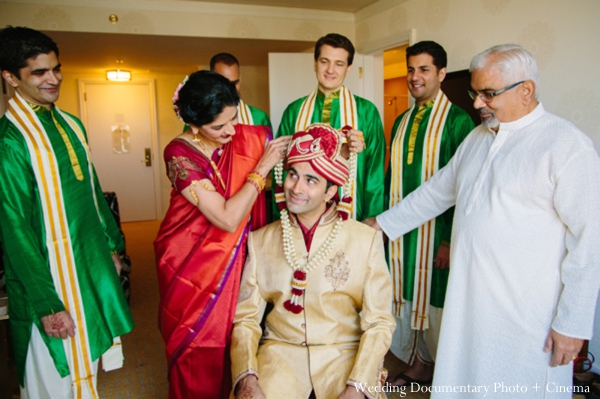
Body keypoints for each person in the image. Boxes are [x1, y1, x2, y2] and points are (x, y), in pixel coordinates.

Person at [365, 44, 600, 398]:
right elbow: (436, 193)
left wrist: (572, 324)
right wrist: (380, 224)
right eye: (476, 93)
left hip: (525, 317)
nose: (476, 104)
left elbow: (590, 241)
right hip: (469, 303)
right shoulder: (477, 139)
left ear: (526, 90)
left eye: (488, 94)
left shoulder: (566, 146)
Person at [0, 26, 134, 398]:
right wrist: (47, 304)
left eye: (56, 68)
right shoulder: (10, 143)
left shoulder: (70, 124)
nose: (54, 79)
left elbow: (91, 192)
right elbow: (15, 230)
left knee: (87, 370)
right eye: (39, 72)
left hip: (87, 270)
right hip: (48, 283)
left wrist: (113, 249)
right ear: (10, 78)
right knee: (55, 383)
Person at [231, 123, 395, 399]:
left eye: (311, 180)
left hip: (344, 356)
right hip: (280, 355)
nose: (295, 188)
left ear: (331, 192)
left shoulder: (365, 240)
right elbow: (245, 320)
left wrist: (358, 386)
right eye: (293, 174)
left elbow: (379, 323)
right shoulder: (260, 241)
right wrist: (246, 377)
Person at [154, 70, 290, 398]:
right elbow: (227, 219)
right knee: (198, 345)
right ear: (193, 122)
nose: (231, 130)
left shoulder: (244, 136)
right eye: (219, 126)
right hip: (191, 260)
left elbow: (297, 148)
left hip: (232, 257)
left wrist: (346, 144)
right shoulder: (179, 153)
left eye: (233, 118)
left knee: (238, 334)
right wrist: (261, 170)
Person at [385, 41, 474, 387]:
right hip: (404, 232)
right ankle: (417, 361)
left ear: (441, 73)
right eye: (411, 69)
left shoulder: (459, 121)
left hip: (437, 235)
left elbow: (464, 189)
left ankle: (435, 366)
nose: (415, 76)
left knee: (435, 299)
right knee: (407, 292)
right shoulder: (402, 121)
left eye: (424, 69)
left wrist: (450, 239)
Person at [275, 33, 385, 221]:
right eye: (325, 61)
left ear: (348, 68)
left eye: (339, 64)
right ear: (315, 63)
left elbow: (375, 174)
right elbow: (279, 168)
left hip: (352, 214)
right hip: (300, 216)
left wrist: (372, 220)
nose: (330, 70)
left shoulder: (366, 112)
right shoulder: (294, 111)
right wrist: (281, 217)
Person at [210, 52, 272, 129]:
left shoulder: (260, 118)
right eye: (226, 83)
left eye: (235, 82)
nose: (232, 89)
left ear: (240, 77)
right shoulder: (199, 119)